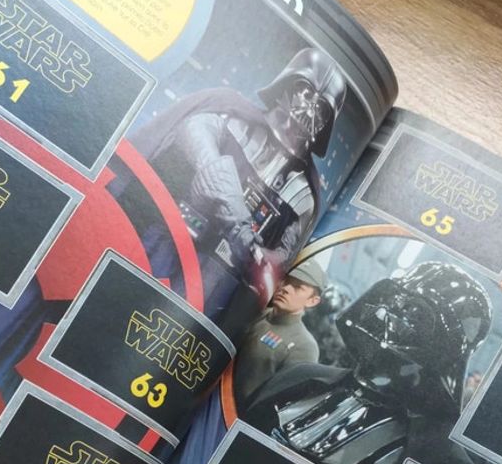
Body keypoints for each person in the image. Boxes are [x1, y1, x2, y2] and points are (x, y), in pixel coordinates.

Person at [113, 48, 346, 341]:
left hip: (212, 277)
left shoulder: (305, 194)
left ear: (327, 119)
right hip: (164, 238)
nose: (310, 109)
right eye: (305, 92)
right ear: (288, 84)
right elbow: (203, 152)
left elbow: (281, 257)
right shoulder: (227, 115)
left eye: (321, 107)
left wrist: (260, 257)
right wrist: (238, 220)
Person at [245, 261, 493, 464]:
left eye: (416, 312)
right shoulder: (299, 379)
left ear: (447, 346)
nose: (392, 314)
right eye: (397, 300)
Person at [234, 259, 325, 408]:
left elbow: (283, 402)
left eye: (298, 287)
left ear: (312, 301)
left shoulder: (304, 345)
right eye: (286, 280)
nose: (286, 288)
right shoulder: (258, 312)